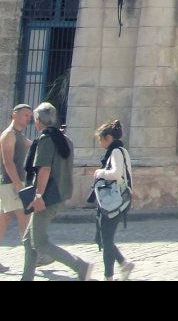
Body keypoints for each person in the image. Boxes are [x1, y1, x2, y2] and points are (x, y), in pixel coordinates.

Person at [21, 102, 94, 281]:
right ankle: (26, 277)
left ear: (40, 121)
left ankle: (80, 266)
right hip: (59, 194)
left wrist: (38, 196)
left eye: (36, 119)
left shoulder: (47, 139)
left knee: (39, 242)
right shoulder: (65, 139)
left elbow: (44, 169)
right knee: (28, 240)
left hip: (46, 197)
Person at [90, 119, 134, 281]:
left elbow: (116, 173)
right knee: (102, 237)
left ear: (108, 137)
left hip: (115, 202)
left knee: (106, 240)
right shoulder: (122, 151)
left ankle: (109, 276)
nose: (100, 142)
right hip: (117, 200)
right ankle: (124, 264)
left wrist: (99, 173)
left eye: (101, 139)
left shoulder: (115, 152)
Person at [0, 103, 33, 272]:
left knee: (4, 221)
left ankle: (33, 256)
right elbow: (8, 162)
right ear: (14, 115)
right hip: (10, 184)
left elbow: (33, 145)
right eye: (25, 115)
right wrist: (19, 185)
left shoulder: (20, 135)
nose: (28, 118)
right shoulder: (9, 135)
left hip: (13, 184)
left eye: (30, 115)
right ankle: (33, 257)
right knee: (25, 220)